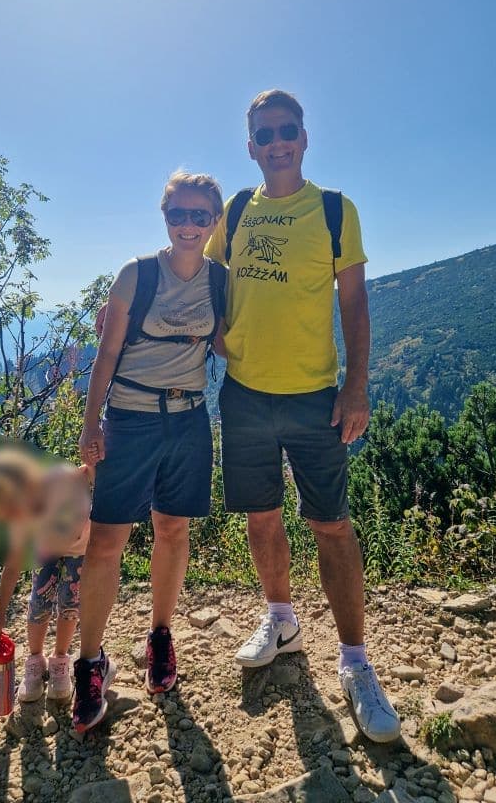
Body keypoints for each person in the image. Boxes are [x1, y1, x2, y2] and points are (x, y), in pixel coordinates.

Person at [205, 89, 401, 743]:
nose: (278, 141)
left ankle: (355, 662)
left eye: (288, 130)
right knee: (262, 517)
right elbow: (196, 278)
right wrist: (197, 323)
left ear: (304, 139)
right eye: (266, 134)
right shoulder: (233, 213)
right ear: (252, 147)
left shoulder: (334, 211)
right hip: (243, 393)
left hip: (316, 395)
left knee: (332, 525)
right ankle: (282, 621)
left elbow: (355, 307)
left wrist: (357, 387)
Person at [73, 171, 226, 734]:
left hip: (188, 420)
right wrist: (92, 426)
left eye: (199, 215)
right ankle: (91, 661)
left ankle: (160, 635)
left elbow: (231, 341)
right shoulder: (135, 275)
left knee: (173, 530)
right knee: (107, 541)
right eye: (177, 215)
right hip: (131, 421)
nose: (188, 225)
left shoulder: (221, 282)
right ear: (165, 218)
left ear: (214, 221)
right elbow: (105, 354)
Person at [0, 444, 92, 703]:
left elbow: (94, 469)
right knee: (40, 599)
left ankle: (60, 659)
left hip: (79, 552)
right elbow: (11, 569)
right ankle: (35, 660)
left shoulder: (77, 485)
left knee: (71, 603)